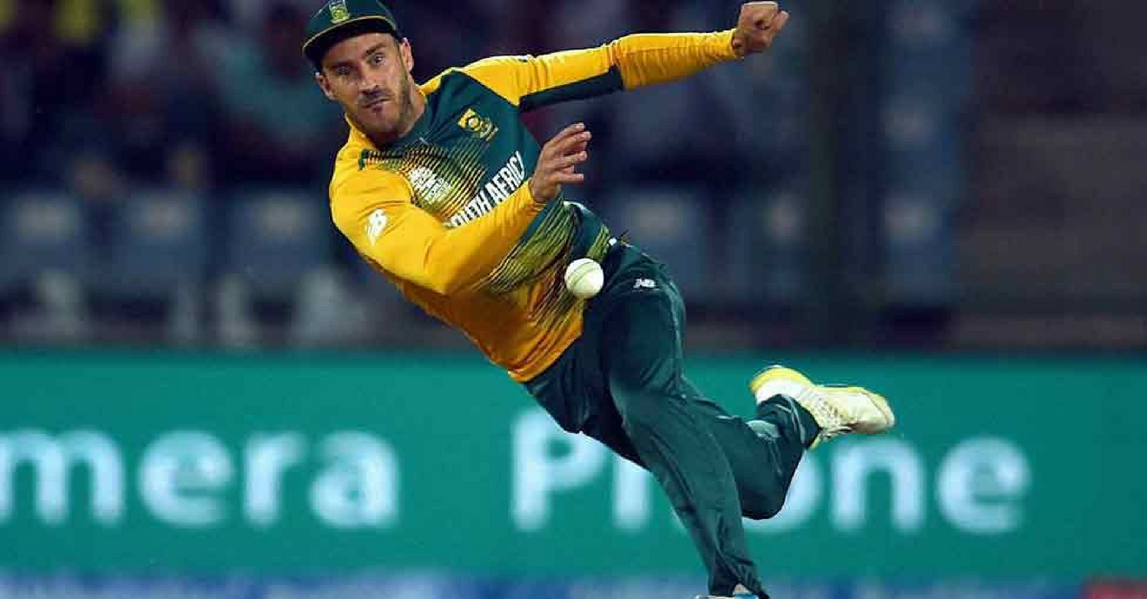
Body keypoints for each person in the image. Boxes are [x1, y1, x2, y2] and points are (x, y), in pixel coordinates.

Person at [302, 1, 896, 597]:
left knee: (647, 401)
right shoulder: (360, 188)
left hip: (611, 283)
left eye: (377, 59)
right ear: (327, 87)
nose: (369, 81)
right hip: (552, 364)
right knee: (759, 488)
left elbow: (616, 63)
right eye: (347, 71)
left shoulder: (479, 88)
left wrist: (729, 43)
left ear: (405, 55)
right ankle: (794, 412)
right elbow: (441, 268)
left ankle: (732, 585)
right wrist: (530, 197)